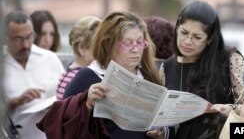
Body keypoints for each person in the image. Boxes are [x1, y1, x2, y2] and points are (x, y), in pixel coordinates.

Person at [37, 11, 169, 139]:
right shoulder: (86, 77)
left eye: (140, 42)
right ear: (108, 44)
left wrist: (162, 133)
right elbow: (63, 126)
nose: (136, 49)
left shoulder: (149, 77)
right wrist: (87, 104)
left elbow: (165, 124)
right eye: (127, 43)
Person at [159, 1, 244, 139]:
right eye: (184, 32)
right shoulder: (167, 67)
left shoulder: (229, 59)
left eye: (197, 37)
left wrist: (231, 110)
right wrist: (162, 133)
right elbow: (165, 120)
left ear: (210, 38)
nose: (187, 41)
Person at [3, 11, 64, 139]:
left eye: (29, 37)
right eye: (18, 39)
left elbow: (67, 96)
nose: (25, 45)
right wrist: (15, 103)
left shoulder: (50, 59)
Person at [56, 16, 101, 100]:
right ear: (82, 47)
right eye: (97, 47)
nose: (102, 53)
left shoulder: (68, 72)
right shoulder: (80, 79)